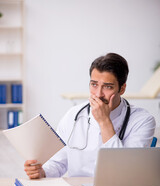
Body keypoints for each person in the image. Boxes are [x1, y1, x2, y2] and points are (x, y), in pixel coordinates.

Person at [24, 53, 156, 179]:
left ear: (122, 89)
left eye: (108, 87)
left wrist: (104, 122)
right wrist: (42, 172)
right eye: (94, 85)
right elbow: (58, 163)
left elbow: (125, 173)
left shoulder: (142, 121)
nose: (98, 94)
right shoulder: (73, 115)